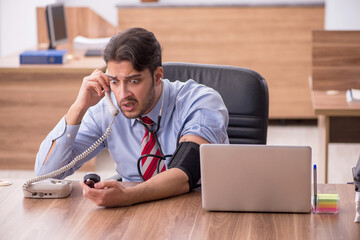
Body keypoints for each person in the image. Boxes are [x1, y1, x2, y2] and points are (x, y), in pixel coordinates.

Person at [35, 27, 229, 207]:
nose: (122, 94)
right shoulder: (106, 111)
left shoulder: (201, 101)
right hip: (134, 215)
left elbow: (185, 172)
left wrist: (128, 196)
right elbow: (44, 177)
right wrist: (78, 107)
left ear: (157, 75)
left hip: (199, 208)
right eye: (114, 82)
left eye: (133, 81)